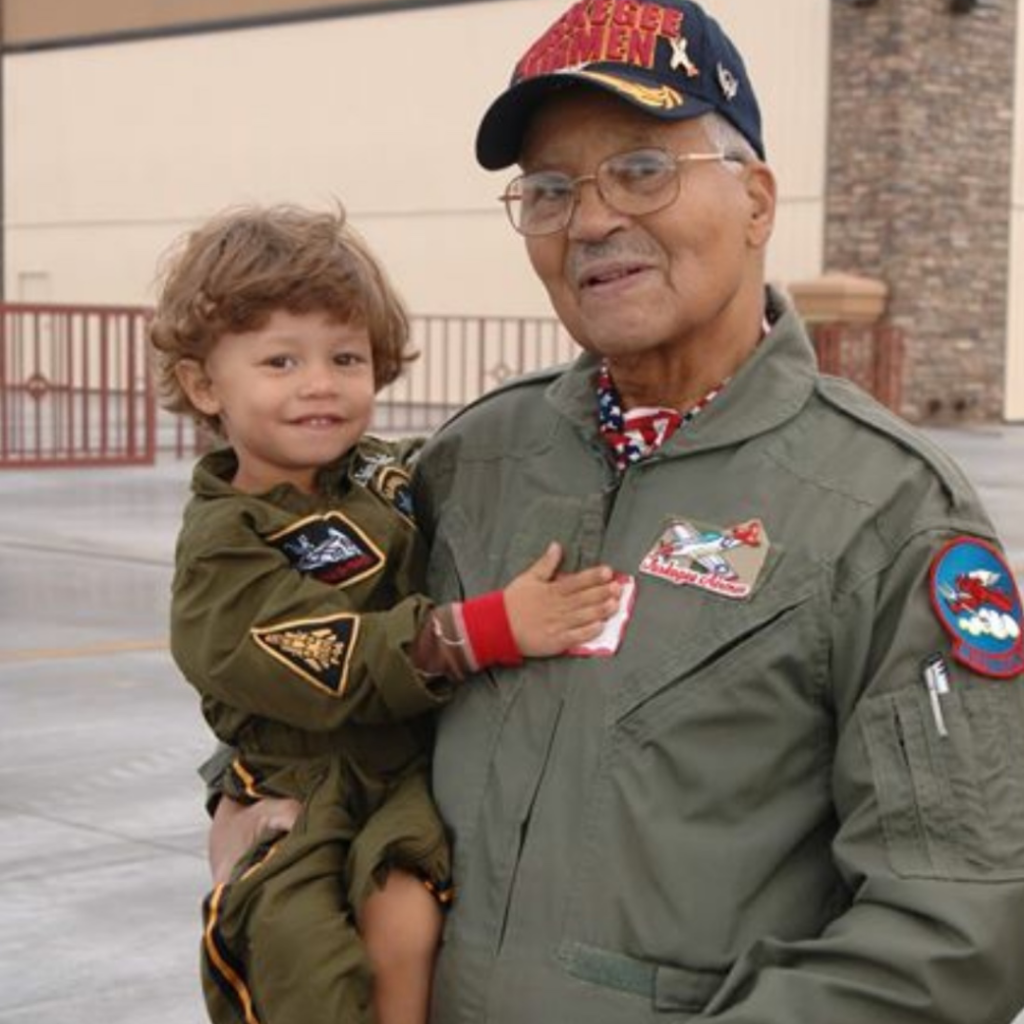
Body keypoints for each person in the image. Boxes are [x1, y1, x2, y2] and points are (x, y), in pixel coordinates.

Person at [209, 2, 1024, 1022]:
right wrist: (243, 799)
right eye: (549, 190)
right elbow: (289, 644)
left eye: (642, 169)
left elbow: (950, 932)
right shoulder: (473, 460)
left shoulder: (887, 513)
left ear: (757, 200)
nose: (590, 220)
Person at [149, 204, 621, 1024]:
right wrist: (489, 629)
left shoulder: (385, 475)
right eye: (281, 361)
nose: (320, 385)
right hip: (296, 778)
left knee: (406, 912)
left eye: (345, 356)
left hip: (396, 770)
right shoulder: (226, 541)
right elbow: (322, 657)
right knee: (303, 955)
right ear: (202, 386)